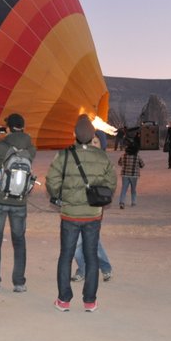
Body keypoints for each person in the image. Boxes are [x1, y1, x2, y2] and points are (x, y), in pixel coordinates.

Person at [46, 114, 117, 313]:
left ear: (74, 134)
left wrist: (60, 196)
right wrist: (100, 197)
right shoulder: (101, 156)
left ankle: (64, 300)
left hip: (69, 214)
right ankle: (89, 301)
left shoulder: (64, 155)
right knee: (91, 256)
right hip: (93, 215)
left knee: (66, 256)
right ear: (93, 134)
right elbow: (111, 183)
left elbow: (51, 180)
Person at [0, 113, 37, 292]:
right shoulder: (30, 148)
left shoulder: (1, 147)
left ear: (9, 128)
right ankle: (19, 282)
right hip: (19, 201)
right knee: (19, 240)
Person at [117, 142, 145, 208]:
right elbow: (142, 165)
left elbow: (119, 163)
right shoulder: (137, 157)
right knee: (133, 189)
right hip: (134, 175)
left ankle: (122, 202)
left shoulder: (123, 155)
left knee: (124, 189)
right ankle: (133, 202)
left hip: (125, 174)